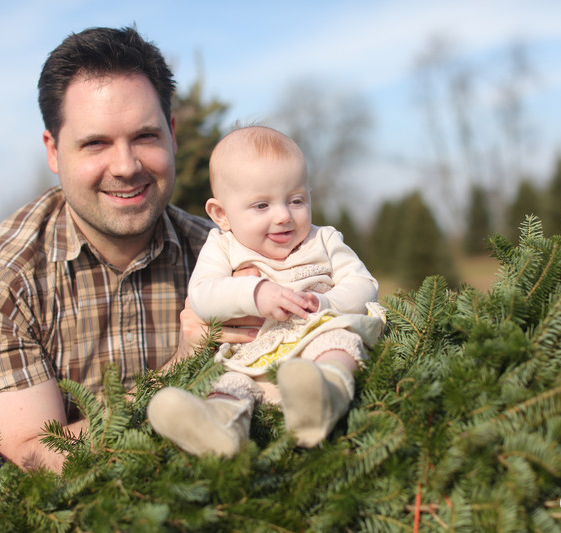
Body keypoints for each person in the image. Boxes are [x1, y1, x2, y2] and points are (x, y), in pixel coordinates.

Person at [0, 26, 259, 486]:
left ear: (172, 135)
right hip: (10, 498)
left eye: (145, 136)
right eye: (96, 143)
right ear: (54, 151)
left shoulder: (225, 254)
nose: (127, 166)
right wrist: (182, 367)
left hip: (190, 488)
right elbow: (30, 455)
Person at [146, 126, 385, 457]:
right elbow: (202, 295)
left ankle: (322, 397)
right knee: (229, 384)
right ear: (221, 214)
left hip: (318, 332)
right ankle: (219, 429)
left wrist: (326, 302)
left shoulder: (324, 240)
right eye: (261, 206)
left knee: (337, 343)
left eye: (296, 200)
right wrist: (254, 293)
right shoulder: (223, 247)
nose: (284, 216)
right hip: (254, 353)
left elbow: (364, 285)